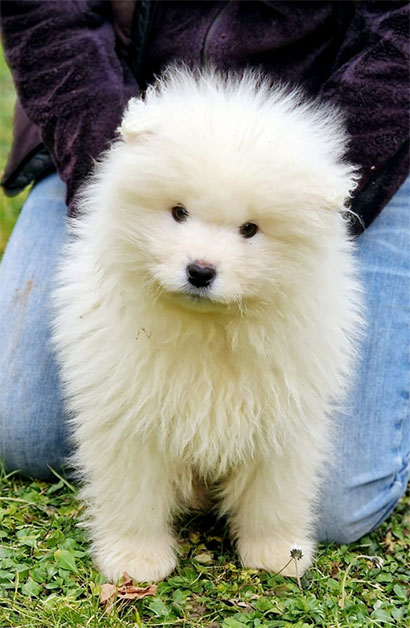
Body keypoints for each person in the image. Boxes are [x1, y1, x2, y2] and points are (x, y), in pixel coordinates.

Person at [0, 0, 409, 544]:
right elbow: (46, 13)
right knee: (28, 436)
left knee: (338, 506)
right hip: (132, 125)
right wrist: (114, 167)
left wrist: (304, 177)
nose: (202, 261)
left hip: (332, 154)